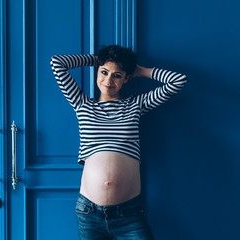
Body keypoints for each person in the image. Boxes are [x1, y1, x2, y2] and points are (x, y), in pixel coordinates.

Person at [50, 45, 187, 240]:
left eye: (117, 75)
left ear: (126, 78)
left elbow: (178, 81)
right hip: (89, 213)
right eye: (104, 72)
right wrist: (97, 59)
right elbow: (57, 63)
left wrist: (139, 71)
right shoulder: (82, 104)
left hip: (129, 214)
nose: (108, 80)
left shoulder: (135, 105)